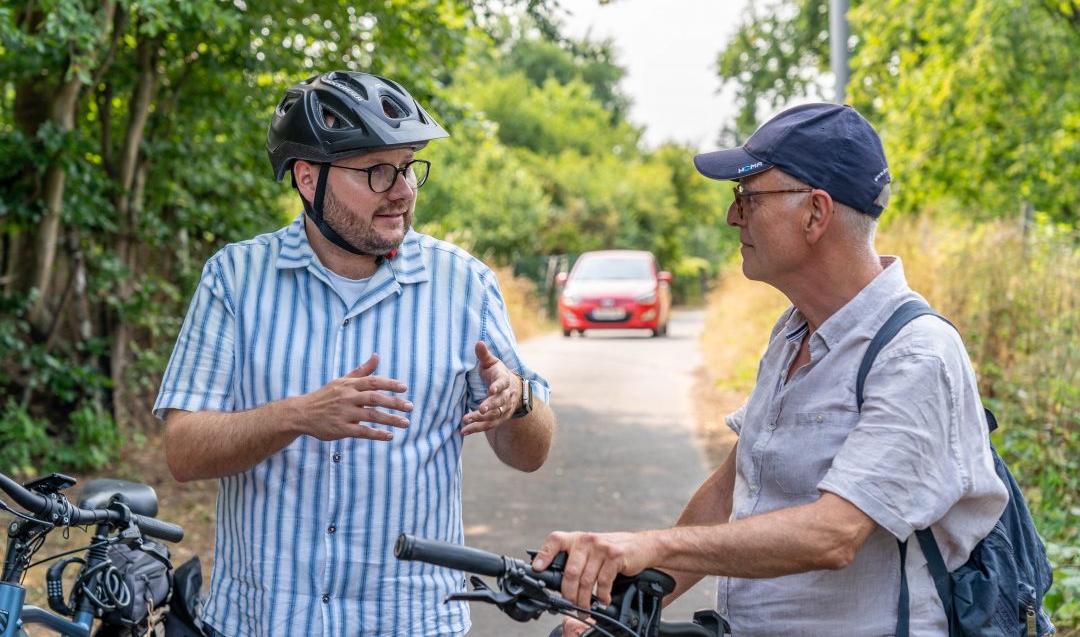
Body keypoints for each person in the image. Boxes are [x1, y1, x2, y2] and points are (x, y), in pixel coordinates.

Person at [532, 103, 1008, 635]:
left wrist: (652, 546)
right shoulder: (794, 331)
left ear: (815, 213)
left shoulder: (915, 355)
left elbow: (834, 534)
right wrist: (629, 604)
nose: (733, 216)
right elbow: (733, 487)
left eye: (748, 197)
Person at [153, 70, 556, 636]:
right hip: (262, 621)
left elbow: (531, 454)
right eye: (377, 171)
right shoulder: (235, 279)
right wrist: (297, 415)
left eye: (409, 166)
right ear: (307, 177)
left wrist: (518, 401)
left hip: (411, 623)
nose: (403, 190)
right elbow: (183, 452)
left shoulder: (465, 284)